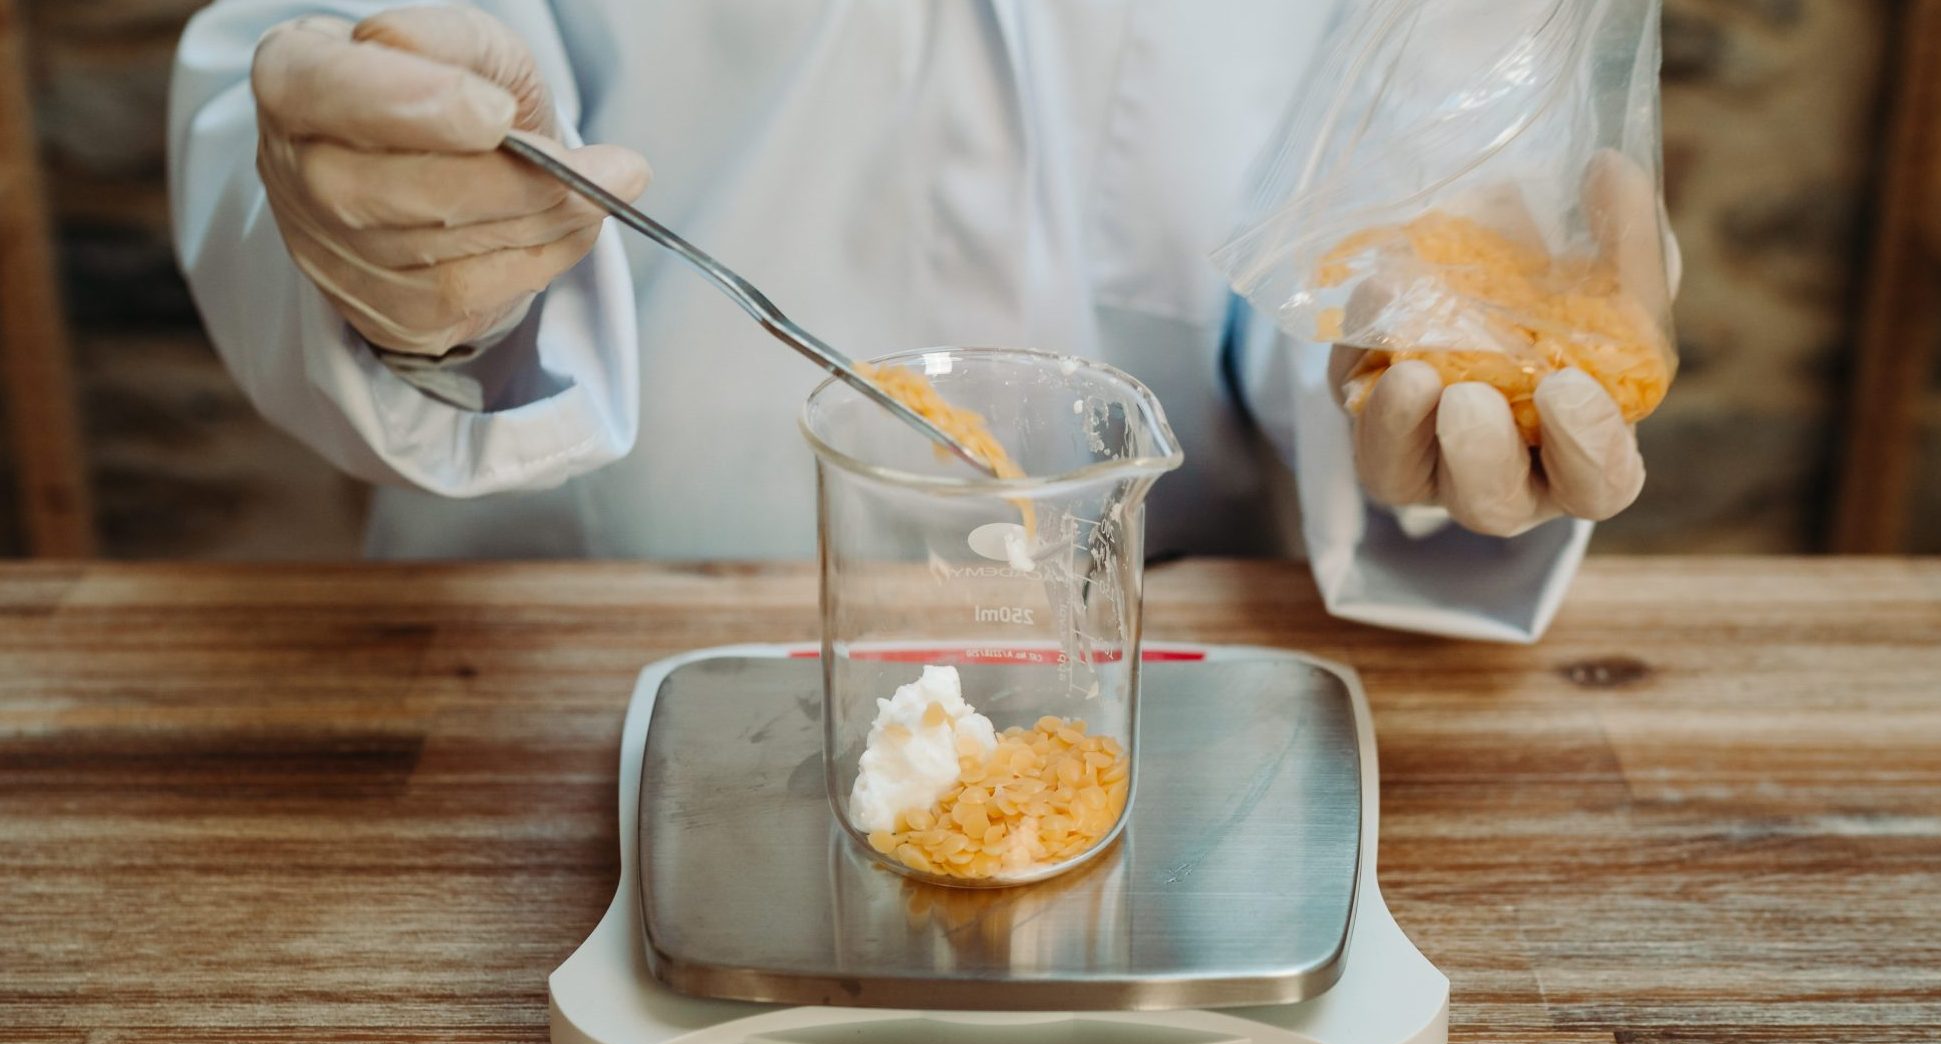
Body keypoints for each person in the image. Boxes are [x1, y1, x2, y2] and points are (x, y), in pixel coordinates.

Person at [169, 1, 1676, 642]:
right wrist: (395, 233)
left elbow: (1426, 131)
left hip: (1178, 659)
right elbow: (313, 54)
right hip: (566, 652)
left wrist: (1428, 361)